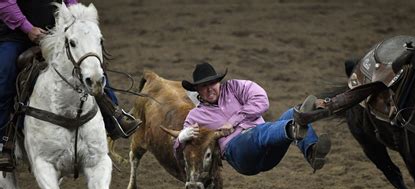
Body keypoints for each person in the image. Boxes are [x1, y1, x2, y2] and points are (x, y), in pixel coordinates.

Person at [0, 0, 141, 171]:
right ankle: (4, 143)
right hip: (17, 35)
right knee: (4, 76)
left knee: (91, 64)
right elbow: (5, 3)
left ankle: (115, 117)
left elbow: (70, 2)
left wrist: (74, 18)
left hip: (56, 32)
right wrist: (28, 28)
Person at [176, 62, 332, 175]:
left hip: (268, 148)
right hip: (239, 153)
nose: (210, 89)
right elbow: (178, 149)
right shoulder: (195, 116)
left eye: (212, 83)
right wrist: (182, 138)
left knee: (293, 113)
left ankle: (312, 151)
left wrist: (234, 120)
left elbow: (261, 100)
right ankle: (293, 129)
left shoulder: (235, 87)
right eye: (204, 86)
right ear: (197, 90)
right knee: (257, 133)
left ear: (219, 82)